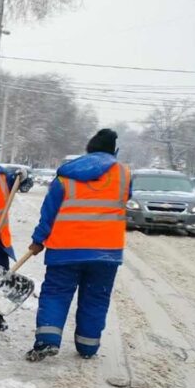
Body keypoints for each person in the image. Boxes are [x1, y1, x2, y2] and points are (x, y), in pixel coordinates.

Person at [25, 128, 131, 362]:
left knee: (56, 294)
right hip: (106, 252)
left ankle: (46, 342)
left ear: (89, 148)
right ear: (114, 151)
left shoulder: (65, 176)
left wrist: (38, 239)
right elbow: (124, 199)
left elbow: (49, 212)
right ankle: (87, 346)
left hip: (65, 249)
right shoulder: (123, 174)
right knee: (96, 297)